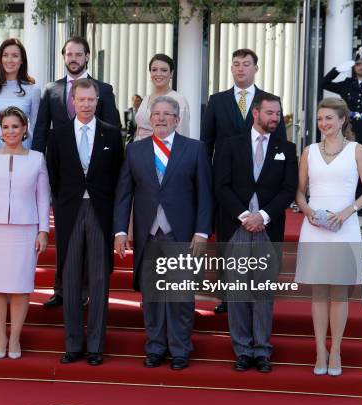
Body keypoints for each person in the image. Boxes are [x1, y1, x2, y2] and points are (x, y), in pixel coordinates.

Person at [113, 95, 213, 370]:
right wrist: (121, 231)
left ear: (177, 120)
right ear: (149, 118)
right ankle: (156, 347)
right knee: (152, 297)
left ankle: (180, 349)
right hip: (149, 234)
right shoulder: (135, 150)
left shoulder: (194, 149)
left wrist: (202, 232)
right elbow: (124, 194)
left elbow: (205, 194)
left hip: (181, 234)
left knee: (181, 298)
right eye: (156, 114)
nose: (160, 118)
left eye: (167, 114)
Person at [32, 36, 121, 308]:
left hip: (94, 181)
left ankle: (87, 290)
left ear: (87, 57)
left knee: (93, 238)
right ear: (63, 56)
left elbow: (113, 129)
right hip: (63, 180)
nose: (73, 58)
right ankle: (62, 289)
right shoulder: (51, 90)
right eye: (69, 54)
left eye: (78, 54)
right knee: (65, 237)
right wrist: (39, 170)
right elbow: (40, 132)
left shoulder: (103, 90)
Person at [214, 93, 298, 373]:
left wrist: (261, 216)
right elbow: (221, 186)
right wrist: (244, 216)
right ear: (255, 112)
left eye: (278, 113)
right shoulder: (229, 145)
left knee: (263, 292)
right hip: (236, 227)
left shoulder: (287, 147)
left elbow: (288, 190)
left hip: (267, 228)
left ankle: (262, 350)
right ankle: (242, 350)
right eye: (270, 113)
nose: (275, 118)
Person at [201, 48, 287, 314]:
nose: (240, 69)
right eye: (236, 64)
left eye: (246, 64)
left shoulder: (269, 103)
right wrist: (205, 182)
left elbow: (279, 142)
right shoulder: (217, 101)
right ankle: (227, 297)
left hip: (263, 184)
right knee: (228, 241)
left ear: (255, 69)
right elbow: (207, 144)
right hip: (227, 185)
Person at [294, 97, 362, 377]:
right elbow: (300, 191)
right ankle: (320, 350)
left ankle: (337, 349)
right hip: (315, 226)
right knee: (318, 292)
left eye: (329, 118)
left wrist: (346, 212)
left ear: (343, 120)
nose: (323, 124)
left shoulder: (357, 150)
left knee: (340, 292)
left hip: (345, 226)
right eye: (320, 119)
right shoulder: (308, 151)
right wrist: (307, 211)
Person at [46, 79, 124, 366]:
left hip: (101, 213)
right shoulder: (58, 135)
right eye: (82, 100)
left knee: (100, 280)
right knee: (70, 279)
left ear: (97, 101)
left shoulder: (112, 135)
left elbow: (119, 180)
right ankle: (73, 345)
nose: (87, 105)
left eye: (92, 100)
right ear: (73, 102)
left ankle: (96, 347)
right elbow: (54, 178)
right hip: (70, 213)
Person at [0, 107, 50, 360]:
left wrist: (44, 230)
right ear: (0, 131)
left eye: (15, 126)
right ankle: (0, 337)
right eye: (6, 127)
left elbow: (43, 198)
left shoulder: (37, 158)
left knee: (20, 287)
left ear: (24, 129)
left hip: (26, 231)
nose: (10, 131)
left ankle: (15, 337)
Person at [322, 47, 362, 159]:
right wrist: (337, 70)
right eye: (358, 64)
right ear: (354, 67)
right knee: (346, 163)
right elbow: (324, 83)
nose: (361, 67)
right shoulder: (347, 84)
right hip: (348, 130)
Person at [134, 54, 191, 140]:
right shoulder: (146, 99)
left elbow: (182, 135)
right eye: (154, 70)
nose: (158, 74)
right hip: (139, 149)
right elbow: (139, 128)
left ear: (171, 73)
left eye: (164, 70)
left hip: (162, 150)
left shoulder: (179, 100)